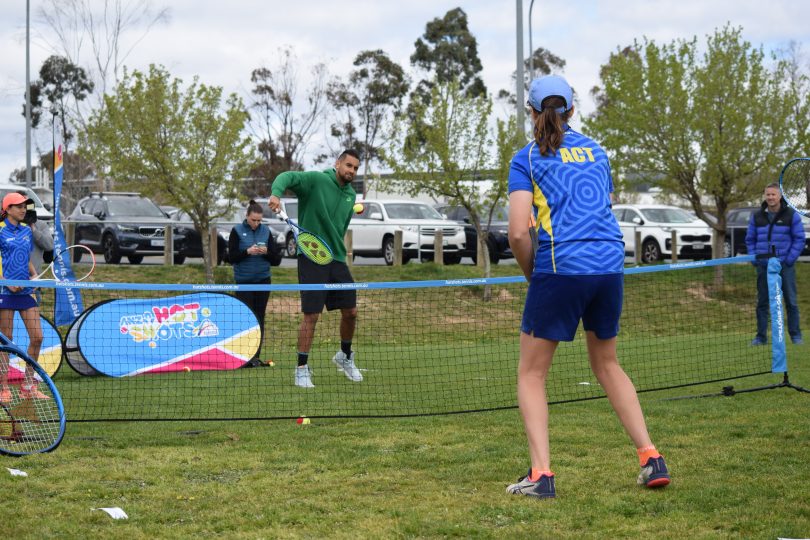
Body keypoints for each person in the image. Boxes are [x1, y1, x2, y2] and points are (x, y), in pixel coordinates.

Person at [505, 75, 669, 499]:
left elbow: (519, 236)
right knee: (608, 364)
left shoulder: (526, 157)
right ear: (572, 110)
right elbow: (601, 207)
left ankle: (541, 475)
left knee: (531, 373)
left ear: (530, 112)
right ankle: (651, 458)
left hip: (562, 267)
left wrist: (532, 276)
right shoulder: (597, 151)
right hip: (610, 266)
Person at [267, 149, 362, 388]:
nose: (351, 171)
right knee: (312, 315)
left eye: (356, 168)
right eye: (348, 165)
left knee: (351, 311)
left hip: (337, 258)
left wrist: (338, 249)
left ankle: (344, 356)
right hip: (311, 256)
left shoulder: (351, 195)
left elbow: (340, 227)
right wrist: (276, 195)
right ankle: (301, 367)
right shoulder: (317, 180)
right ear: (338, 163)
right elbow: (286, 176)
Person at [0, 192, 49, 403]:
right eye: (19, 206)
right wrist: (6, 282)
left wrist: (34, 275)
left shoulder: (27, 232)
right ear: (8, 209)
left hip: (26, 292)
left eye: (25, 206)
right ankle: (3, 388)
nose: (23, 209)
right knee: (6, 341)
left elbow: (26, 258)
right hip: (4, 292)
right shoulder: (0, 231)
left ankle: (28, 386)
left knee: (37, 337)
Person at [745, 183, 805, 345]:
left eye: (773, 194)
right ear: (765, 196)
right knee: (762, 303)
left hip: (785, 266)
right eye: (768, 194)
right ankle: (761, 337)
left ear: (780, 196)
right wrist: (754, 259)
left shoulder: (791, 215)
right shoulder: (757, 216)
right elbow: (750, 240)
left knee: (791, 301)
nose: (770, 197)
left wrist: (789, 260)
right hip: (763, 266)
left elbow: (799, 239)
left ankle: (795, 336)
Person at [229, 200, 282, 367]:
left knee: (259, 318)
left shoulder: (266, 232)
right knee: (246, 319)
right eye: (254, 220)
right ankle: (243, 356)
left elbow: (276, 260)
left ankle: (255, 357)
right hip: (244, 282)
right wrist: (247, 252)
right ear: (247, 217)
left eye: (260, 220)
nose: (257, 223)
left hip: (263, 282)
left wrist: (267, 252)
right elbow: (231, 257)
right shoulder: (236, 231)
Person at [19, 192, 54, 272]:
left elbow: (49, 246)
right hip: (11, 278)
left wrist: (33, 228)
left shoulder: (40, 225)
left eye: (27, 205)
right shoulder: (7, 226)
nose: (24, 209)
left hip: (34, 276)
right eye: (20, 206)